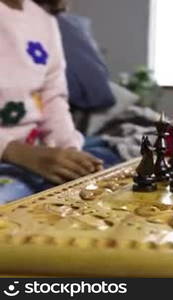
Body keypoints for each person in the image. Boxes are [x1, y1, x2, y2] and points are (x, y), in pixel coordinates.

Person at [0, 0, 103, 204]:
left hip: (35, 157)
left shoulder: (45, 22)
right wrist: (13, 151)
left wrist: (69, 151)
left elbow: (53, 97)